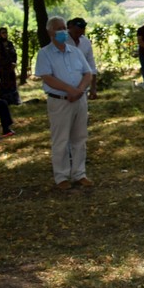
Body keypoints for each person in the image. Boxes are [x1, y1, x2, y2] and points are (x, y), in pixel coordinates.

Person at [35, 17, 94, 189]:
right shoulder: (44, 53)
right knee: (61, 139)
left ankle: (79, 173)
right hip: (60, 101)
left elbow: (87, 73)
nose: (62, 32)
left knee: (80, 137)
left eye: (63, 28)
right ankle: (61, 176)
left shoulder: (75, 52)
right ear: (50, 32)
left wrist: (79, 90)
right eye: (58, 28)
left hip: (79, 100)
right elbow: (47, 78)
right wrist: (70, 90)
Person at [69, 18, 98, 99]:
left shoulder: (86, 42)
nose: (78, 35)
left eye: (81, 32)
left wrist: (93, 87)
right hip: (64, 85)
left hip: (82, 85)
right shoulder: (62, 41)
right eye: (76, 32)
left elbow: (91, 65)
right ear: (70, 27)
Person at [0, 27, 19, 105]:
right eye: (3, 33)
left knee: (12, 84)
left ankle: (14, 100)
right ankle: (4, 100)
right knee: (3, 84)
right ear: (0, 35)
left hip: (11, 68)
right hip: (3, 68)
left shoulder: (10, 43)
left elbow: (14, 54)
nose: (5, 34)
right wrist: (8, 63)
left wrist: (14, 63)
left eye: (6, 32)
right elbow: (1, 56)